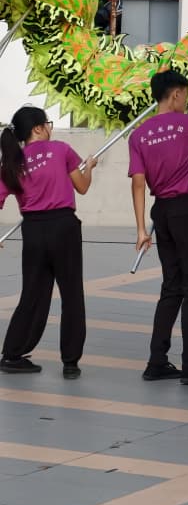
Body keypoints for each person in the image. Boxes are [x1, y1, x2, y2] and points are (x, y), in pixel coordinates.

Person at [0, 107, 97, 379]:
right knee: (72, 294)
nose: (50, 128)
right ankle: (70, 363)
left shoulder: (12, 163)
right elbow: (82, 186)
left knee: (32, 294)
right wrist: (89, 167)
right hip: (63, 227)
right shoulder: (61, 150)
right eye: (48, 124)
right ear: (38, 128)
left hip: (33, 231)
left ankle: (12, 354)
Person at [128, 70, 188, 384]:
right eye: (185, 95)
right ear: (176, 94)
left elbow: (138, 183)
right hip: (187, 208)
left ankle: (157, 360)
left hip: (160, 211)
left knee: (172, 285)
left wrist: (141, 229)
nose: (186, 101)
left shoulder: (138, 135)